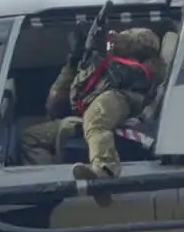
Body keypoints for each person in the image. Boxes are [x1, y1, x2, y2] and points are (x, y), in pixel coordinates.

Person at [19, 25, 165, 180]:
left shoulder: (145, 61)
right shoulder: (93, 60)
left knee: (96, 119)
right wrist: (75, 59)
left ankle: (106, 167)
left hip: (124, 98)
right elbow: (54, 105)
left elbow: (149, 41)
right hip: (86, 112)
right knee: (31, 136)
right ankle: (47, 182)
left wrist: (114, 39)